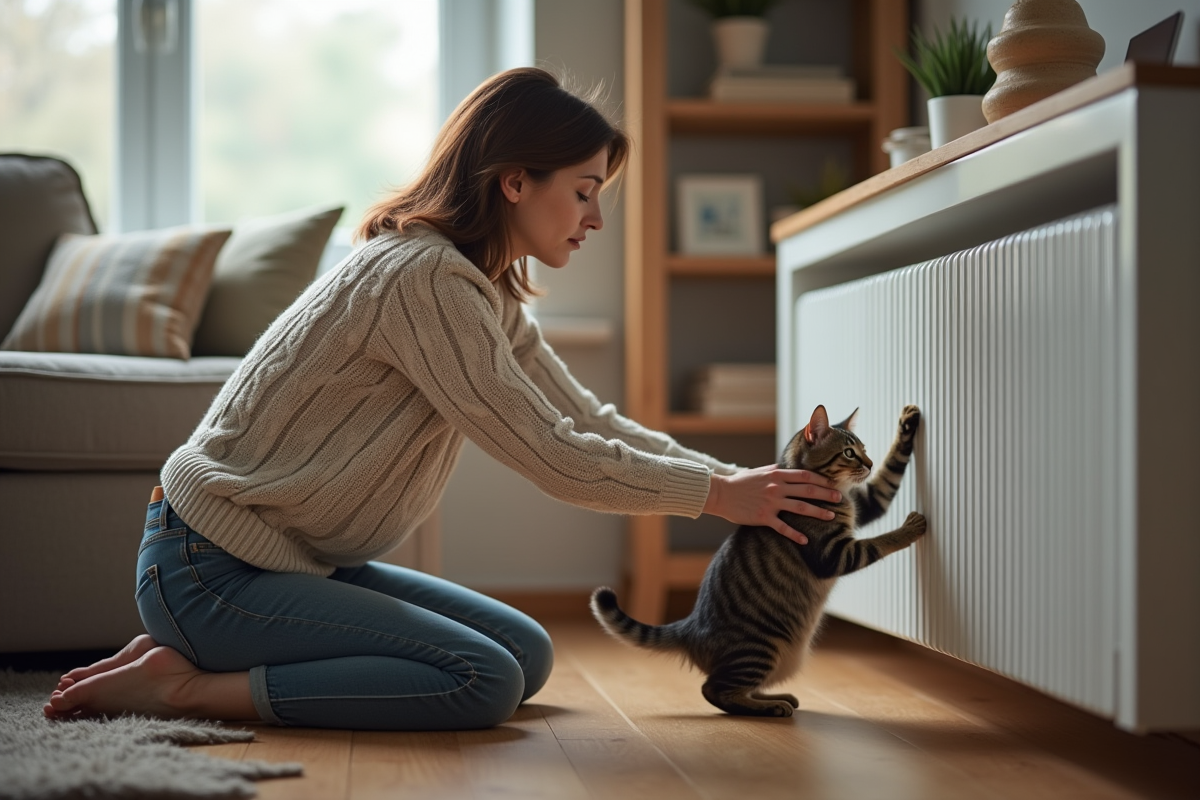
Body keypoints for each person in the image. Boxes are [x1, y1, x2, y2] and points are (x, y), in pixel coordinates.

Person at [43, 67, 841, 731]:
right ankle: (185, 687)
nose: (597, 218)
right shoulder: (425, 280)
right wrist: (716, 495)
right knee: (482, 681)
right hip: (211, 568)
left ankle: (185, 655)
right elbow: (554, 456)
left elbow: (585, 419)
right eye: (584, 192)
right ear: (515, 181)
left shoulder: (484, 291)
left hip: (292, 563)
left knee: (526, 654)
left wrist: (738, 483)